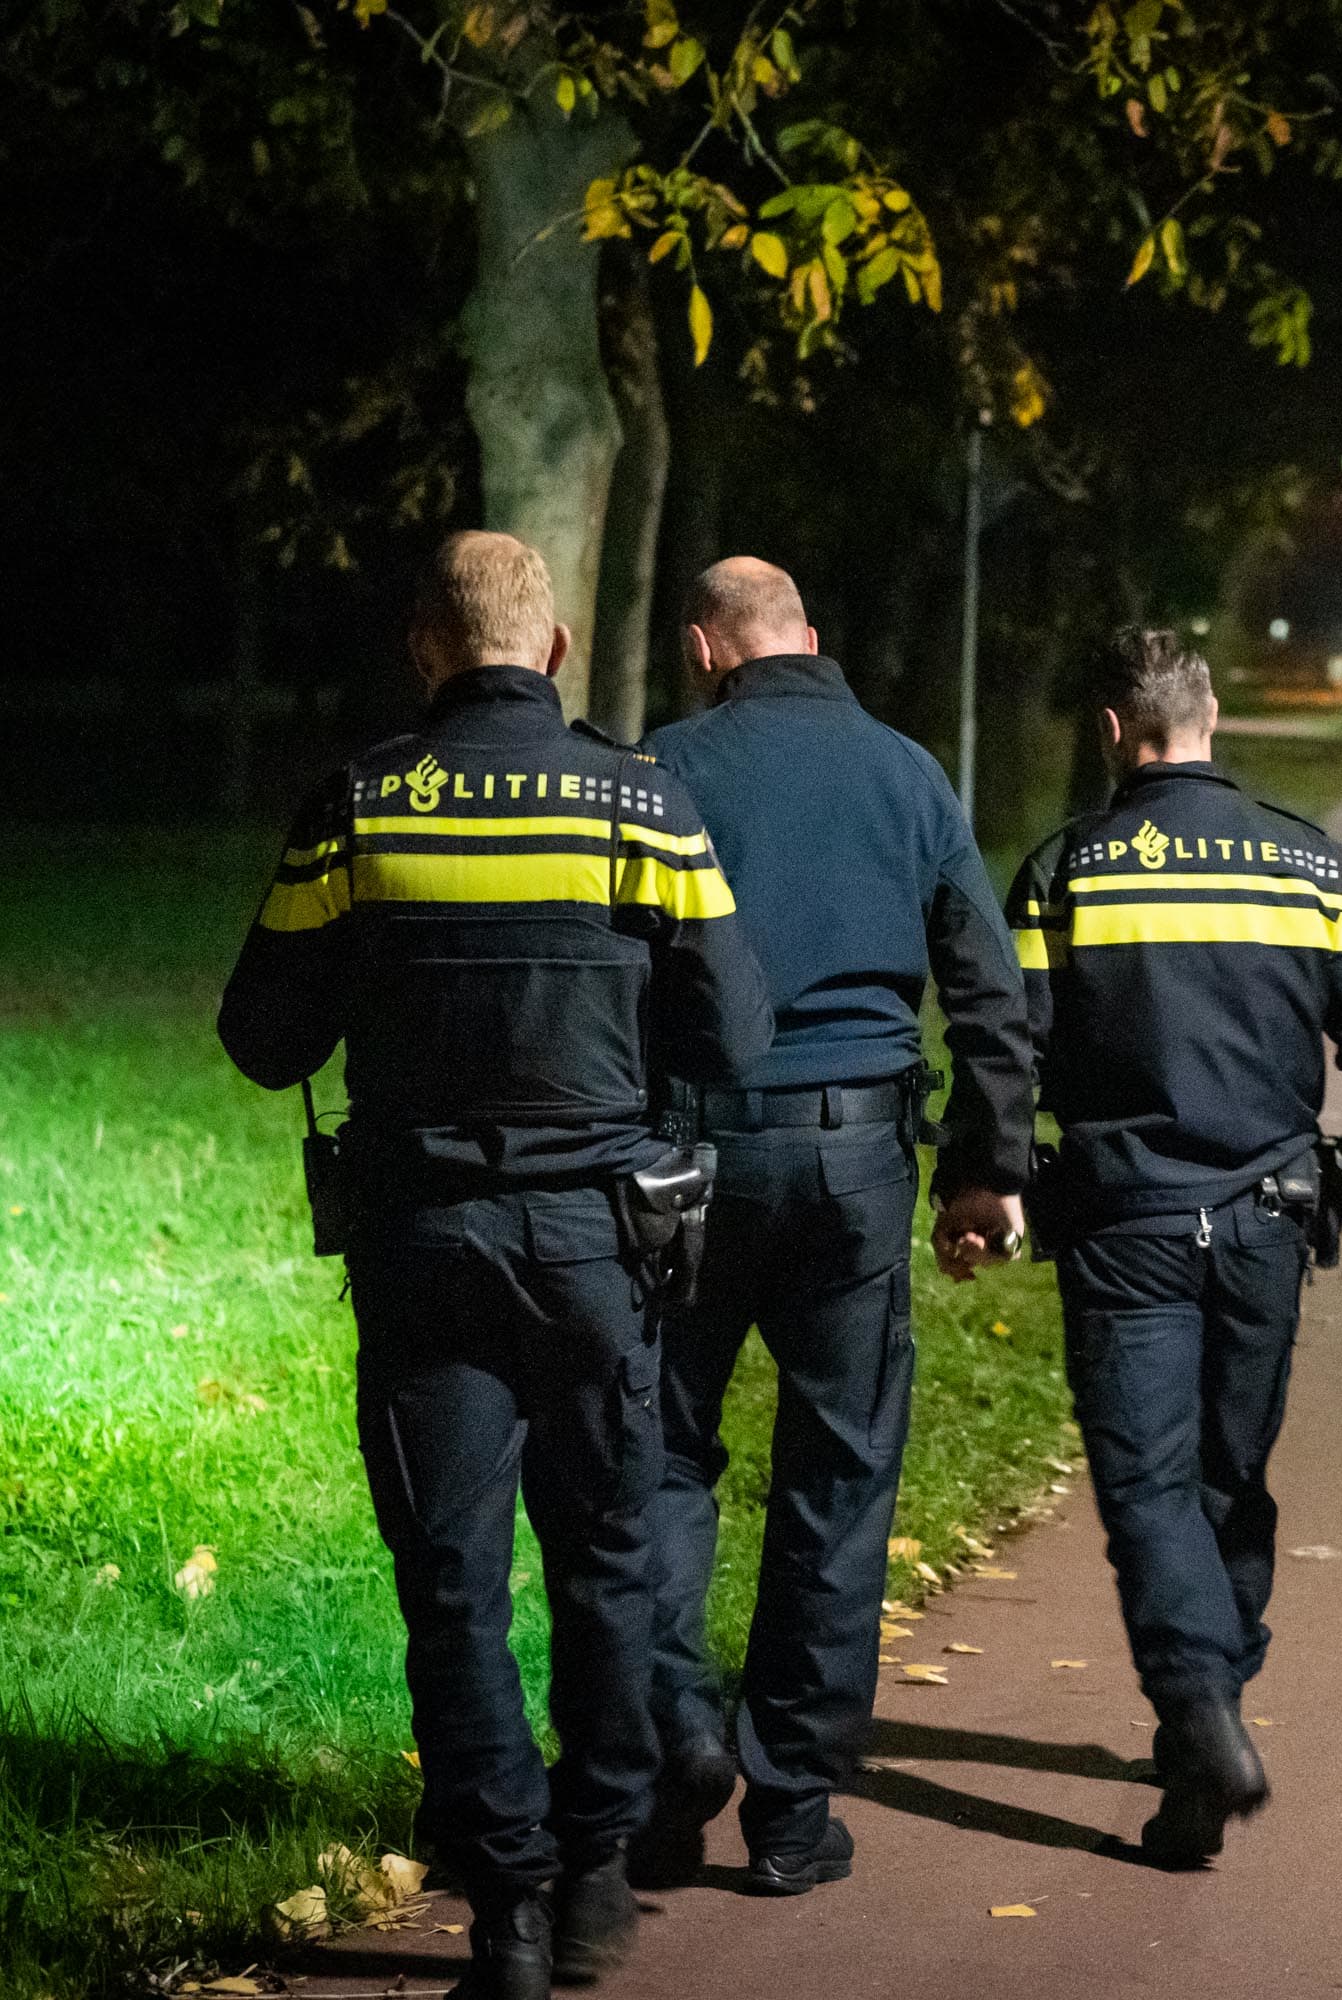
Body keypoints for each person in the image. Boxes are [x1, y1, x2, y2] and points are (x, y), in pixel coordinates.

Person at [216, 531, 773, 2000]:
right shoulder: (642, 805)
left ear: (422, 648)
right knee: (603, 1559)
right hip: (600, 1248)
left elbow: (263, 1037)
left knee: (451, 1580)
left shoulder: (357, 805)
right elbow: (735, 1038)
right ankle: (595, 1874)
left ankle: (506, 1915)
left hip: (425, 1247)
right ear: (559, 648)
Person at [986, 628, 1342, 1866]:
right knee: (1228, 1478)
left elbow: (1009, 1046)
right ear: (1213, 720)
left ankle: (1196, 1709)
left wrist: (983, 1180)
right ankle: (1214, 1718)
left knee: (1147, 1487)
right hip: (1268, 1220)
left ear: (1111, 731)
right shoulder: (1310, 864)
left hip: (1124, 1226)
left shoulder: (1065, 871)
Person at [630, 558, 1036, 1896]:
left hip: (688, 1159)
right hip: (856, 1161)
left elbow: (611, 969)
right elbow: (986, 989)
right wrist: (988, 1170)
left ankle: (674, 1738)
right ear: (813, 635)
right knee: (840, 1477)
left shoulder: (662, 767)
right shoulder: (909, 775)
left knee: (664, 1452)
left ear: (705, 648)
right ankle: (793, 1812)